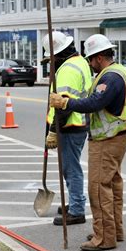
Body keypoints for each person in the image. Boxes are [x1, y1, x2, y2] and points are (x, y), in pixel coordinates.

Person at [50, 33, 126, 251]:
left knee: (98, 188)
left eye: (90, 59)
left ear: (98, 58)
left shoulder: (111, 77)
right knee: (113, 185)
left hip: (107, 140)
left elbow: (95, 102)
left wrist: (66, 103)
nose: (89, 63)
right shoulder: (119, 72)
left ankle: (104, 238)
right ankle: (113, 230)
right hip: (117, 136)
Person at [42, 31, 92, 226]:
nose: (51, 62)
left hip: (70, 125)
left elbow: (63, 105)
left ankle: (77, 209)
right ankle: (74, 201)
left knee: (71, 169)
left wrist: (54, 129)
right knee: (70, 168)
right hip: (76, 123)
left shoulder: (68, 69)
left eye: (51, 58)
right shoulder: (79, 62)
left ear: (58, 54)